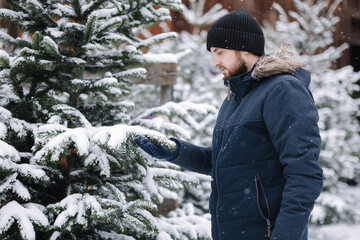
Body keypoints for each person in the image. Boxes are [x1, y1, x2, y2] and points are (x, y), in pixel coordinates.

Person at [134, 9, 323, 240]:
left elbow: (304, 173)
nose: (215, 62)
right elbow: (227, 161)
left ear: (244, 48)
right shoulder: (237, 96)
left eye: (220, 52)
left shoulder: (283, 90)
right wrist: (175, 151)